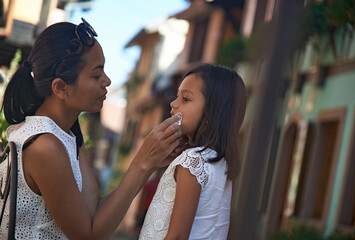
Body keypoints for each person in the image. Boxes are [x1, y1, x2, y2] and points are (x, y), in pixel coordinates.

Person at [0, 18, 183, 240]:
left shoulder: (67, 134)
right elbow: (89, 236)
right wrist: (142, 162)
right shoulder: (44, 144)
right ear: (60, 87)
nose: (107, 81)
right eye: (96, 75)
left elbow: (94, 211)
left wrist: (150, 162)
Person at [139, 63, 247, 240]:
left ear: (212, 113)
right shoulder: (220, 162)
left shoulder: (192, 160)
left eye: (185, 99)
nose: (173, 104)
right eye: (177, 96)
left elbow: (178, 236)